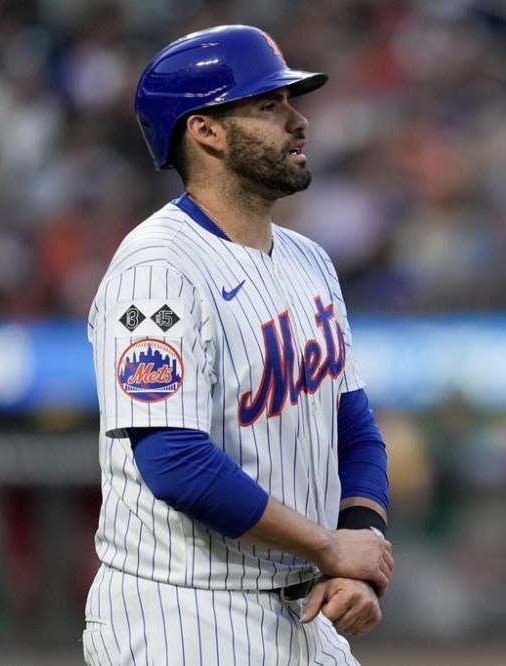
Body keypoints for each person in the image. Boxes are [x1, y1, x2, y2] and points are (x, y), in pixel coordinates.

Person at [84, 24, 392, 665]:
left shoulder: (310, 261)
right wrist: (328, 548)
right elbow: (175, 461)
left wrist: (356, 544)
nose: (297, 121)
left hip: (300, 610)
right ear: (206, 131)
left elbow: (353, 426)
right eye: (268, 105)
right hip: (180, 612)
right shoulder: (157, 267)